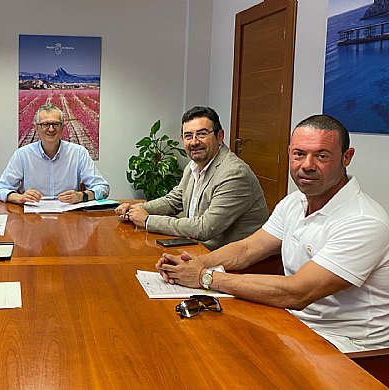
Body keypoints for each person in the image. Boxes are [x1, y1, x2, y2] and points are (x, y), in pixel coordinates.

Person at [156, 114, 389, 353]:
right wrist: (193, 264)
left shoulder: (364, 221)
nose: (307, 165)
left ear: (346, 157)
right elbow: (246, 249)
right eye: (299, 154)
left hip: (351, 349)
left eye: (321, 156)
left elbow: (298, 292)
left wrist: (206, 277)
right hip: (294, 324)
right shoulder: (294, 202)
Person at [116, 106, 268, 250]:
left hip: (232, 261)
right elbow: (174, 200)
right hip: (197, 247)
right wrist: (136, 209)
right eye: (188, 136)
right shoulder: (193, 166)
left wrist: (148, 221)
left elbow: (205, 228)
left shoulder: (234, 173)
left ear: (219, 136)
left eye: (202, 134)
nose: (194, 142)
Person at [0, 103, 110, 204]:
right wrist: (20, 198)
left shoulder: (79, 153)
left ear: (62, 127)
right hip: (33, 218)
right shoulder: (22, 155)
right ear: (36, 128)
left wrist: (81, 196)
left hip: (68, 218)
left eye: (55, 124)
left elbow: (103, 188)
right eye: (45, 124)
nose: (51, 129)